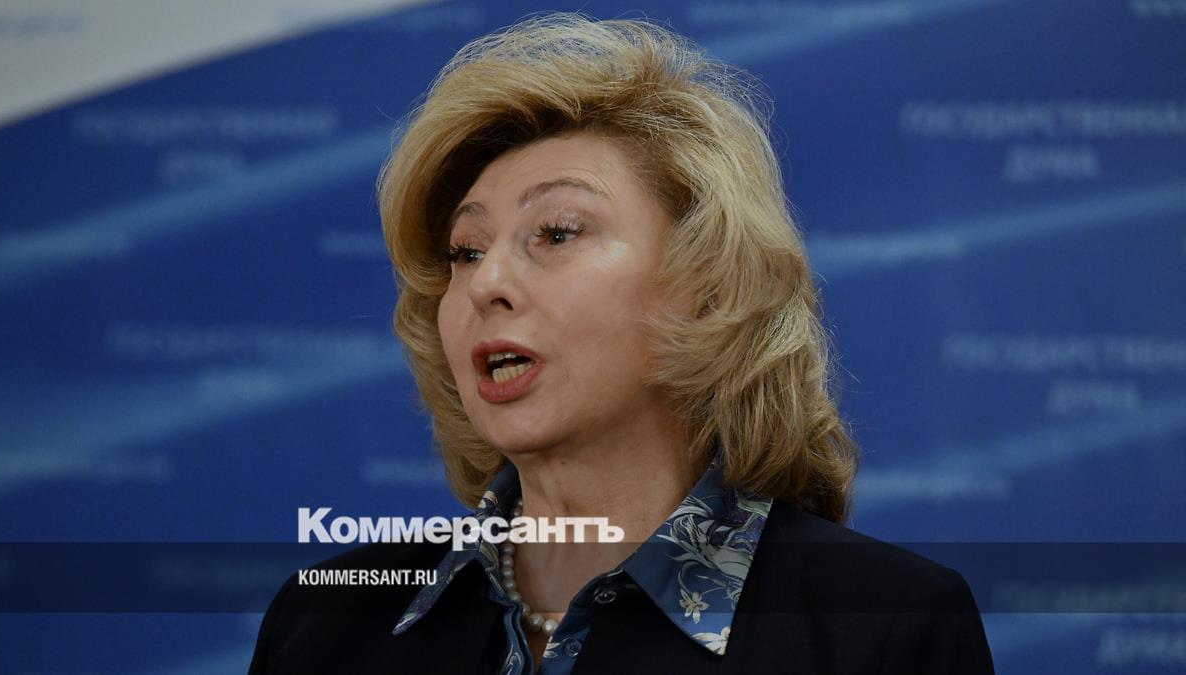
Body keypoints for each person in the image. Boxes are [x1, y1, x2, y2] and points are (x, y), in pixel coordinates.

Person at [249, 12, 994, 674]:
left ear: (705, 281)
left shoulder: (885, 628)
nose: (485, 283)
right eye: (466, 251)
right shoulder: (325, 622)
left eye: (557, 232)